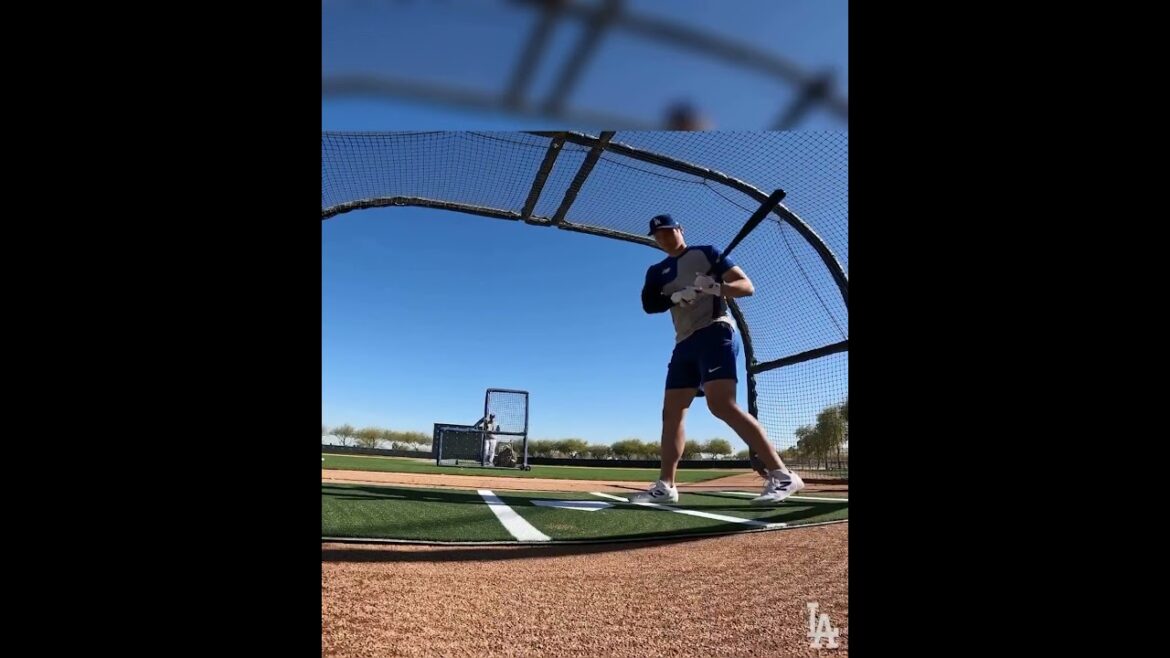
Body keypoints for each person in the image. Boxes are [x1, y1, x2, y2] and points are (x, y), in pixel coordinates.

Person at [632, 213, 804, 505]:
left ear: (680, 229)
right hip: (683, 342)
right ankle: (666, 486)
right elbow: (649, 305)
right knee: (671, 413)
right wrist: (675, 298)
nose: (663, 238)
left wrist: (714, 288)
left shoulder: (707, 253)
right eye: (657, 235)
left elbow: (746, 286)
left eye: (667, 231)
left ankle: (782, 474)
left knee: (721, 405)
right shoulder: (656, 270)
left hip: (715, 331)